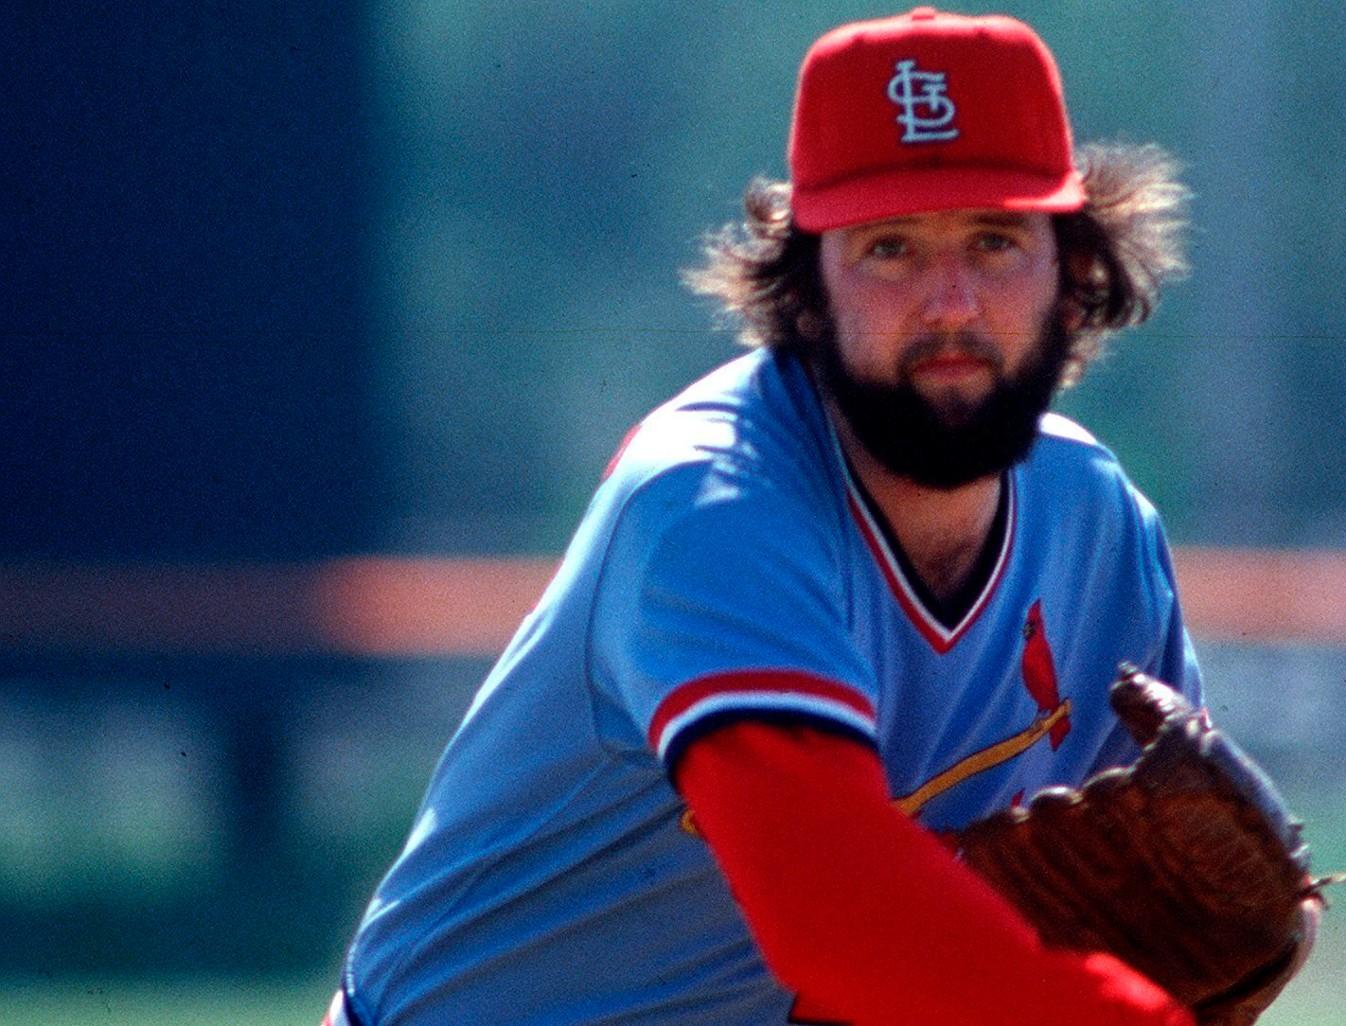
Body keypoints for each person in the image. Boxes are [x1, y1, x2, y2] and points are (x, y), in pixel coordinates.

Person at [328, 9, 1293, 1025]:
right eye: (890, 248)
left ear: (1075, 272)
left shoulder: (1097, 526)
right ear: (806, 292)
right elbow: (841, 924)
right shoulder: (713, 500)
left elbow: (1185, 897)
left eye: (996, 239)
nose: (952, 301)